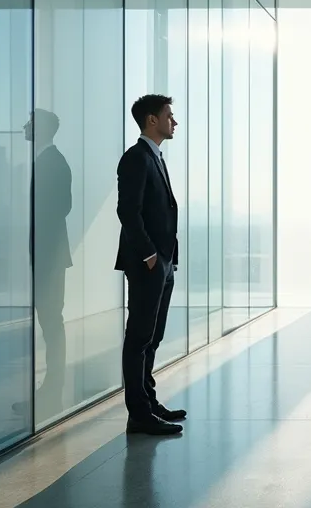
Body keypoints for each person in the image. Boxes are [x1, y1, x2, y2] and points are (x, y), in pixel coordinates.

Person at [116, 94, 185, 435]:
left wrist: (166, 259)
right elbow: (127, 212)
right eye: (169, 116)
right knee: (139, 337)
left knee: (153, 336)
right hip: (148, 263)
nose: (174, 122)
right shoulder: (136, 158)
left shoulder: (154, 157)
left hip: (163, 262)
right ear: (151, 120)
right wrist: (149, 257)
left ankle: (148, 401)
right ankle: (139, 414)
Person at [27, 109, 72, 417]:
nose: (25, 126)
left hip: (50, 257)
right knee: (50, 322)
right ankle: (51, 386)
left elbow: (61, 207)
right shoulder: (48, 160)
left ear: (41, 128)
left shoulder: (52, 162)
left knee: (51, 323)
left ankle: (53, 387)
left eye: (30, 122)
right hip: (49, 255)